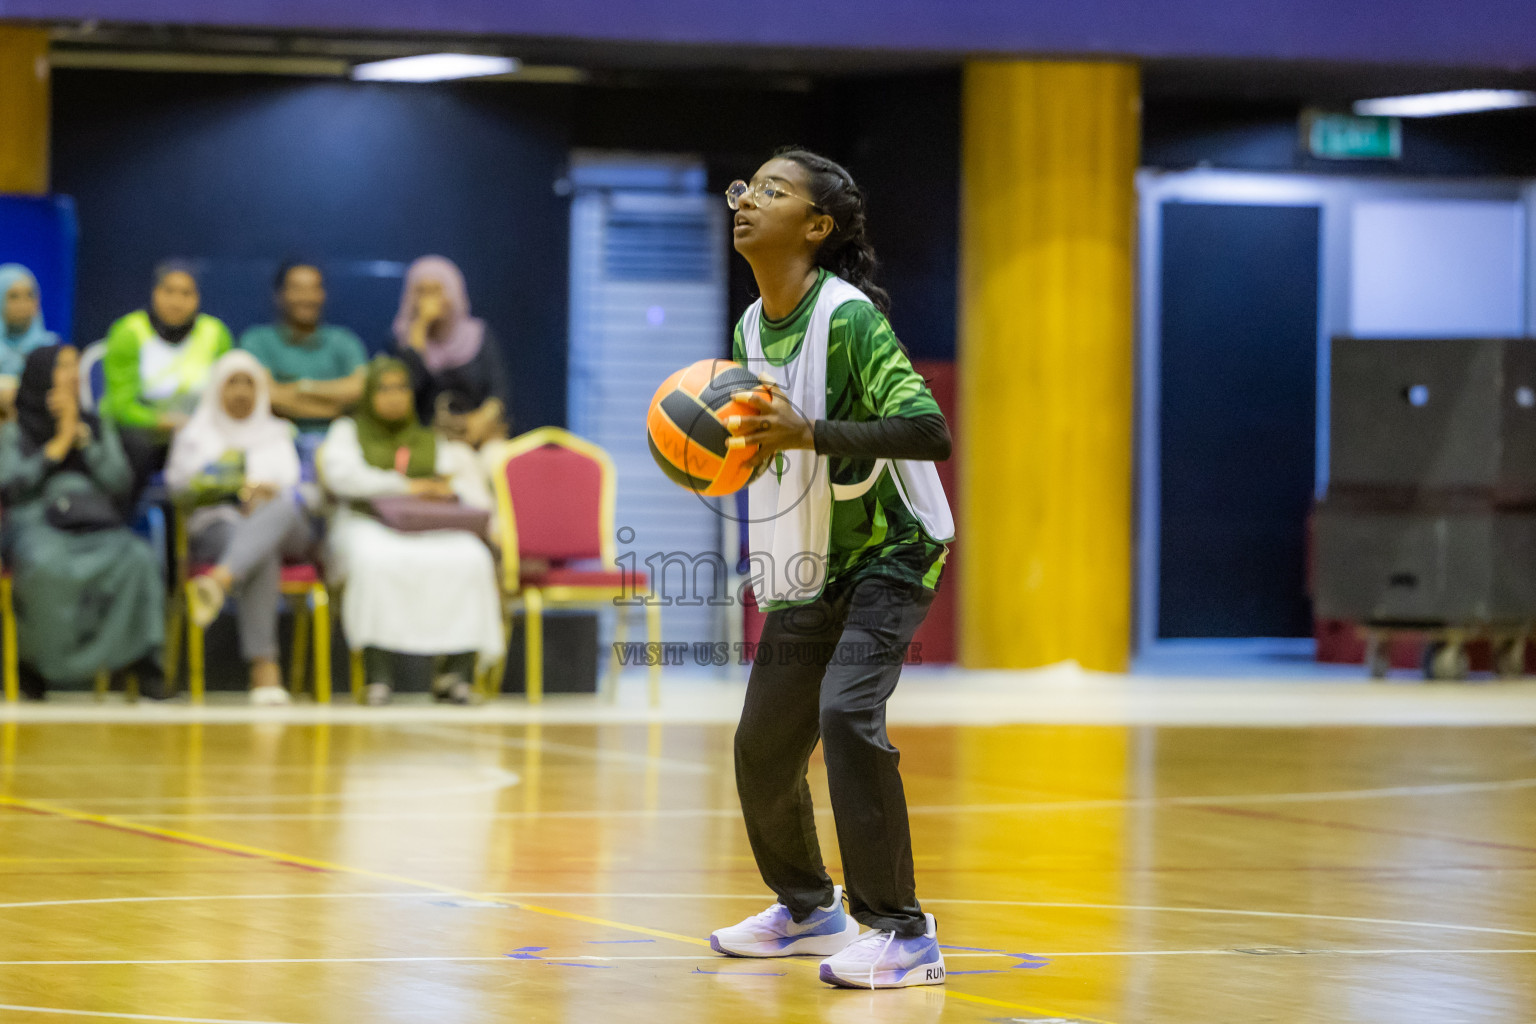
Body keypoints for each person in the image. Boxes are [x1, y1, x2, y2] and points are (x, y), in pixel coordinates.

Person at [705, 150, 956, 990]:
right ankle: (811, 911)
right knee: (763, 747)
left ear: (817, 227)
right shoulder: (749, 326)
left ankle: (906, 935)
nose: (747, 200)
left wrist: (811, 432)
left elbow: (929, 432)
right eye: (747, 186)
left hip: (892, 548)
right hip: (812, 558)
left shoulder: (847, 319)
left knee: (848, 715)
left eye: (773, 191)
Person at [319, 356, 502, 705]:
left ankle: (457, 674)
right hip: (366, 521)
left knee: (471, 557)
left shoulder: (427, 439)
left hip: (429, 525)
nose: (394, 397)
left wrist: (448, 490)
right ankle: (378, 676)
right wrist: (407, 486)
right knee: (375, 560)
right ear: (369, 393)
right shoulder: (347, 432)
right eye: (384, 389)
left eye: (401, 388)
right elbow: (343, 477)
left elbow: (464, 486)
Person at [0, 346, 166, 700]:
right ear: (41, 375)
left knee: (138, 557)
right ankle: (35, 667)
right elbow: (9, 485)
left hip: (95, 524)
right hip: (38, 526)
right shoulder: (15, 430)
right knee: (44, 566)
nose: (74, 374)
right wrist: (56, 445)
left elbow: (120, 483)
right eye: (63, 367)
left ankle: (140, 664)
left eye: (76, 366)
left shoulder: (94, 424)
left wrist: (84, 441)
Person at [166, 351, 312, 706]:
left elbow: (301, 491)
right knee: (260, 551)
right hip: (218, 525)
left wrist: (268, 493)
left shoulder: (278, 433)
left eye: (250, 382)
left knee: (277, 511)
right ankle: (264, 667)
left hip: (285, 524)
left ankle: (218, 581)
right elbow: (177, 487)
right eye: (233, 382)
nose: (241, 391)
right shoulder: (195, 435)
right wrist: (234, 490)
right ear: (217, 387)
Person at [101, 261, 233, 494]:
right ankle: (124, 518)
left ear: (197, 298)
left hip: (201, 434)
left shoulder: (215, 333)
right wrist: (165, 422)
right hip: (147, 437)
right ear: (155, 293)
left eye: (186, 293)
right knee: (136, 445)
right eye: (168, 291)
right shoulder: (129, 332)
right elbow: (120, 407)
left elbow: (228, 394)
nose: (176, 301)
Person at [240, 261, 369, 447]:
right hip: (272, 442)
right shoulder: (256, 340)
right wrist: (338, 408)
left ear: (323, 295)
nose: (307, 297)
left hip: (340, 442)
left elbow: (360, 389)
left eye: (314, 288)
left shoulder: (344, 340)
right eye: (297, 289)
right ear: (279, 295)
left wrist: (302, 386)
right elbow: (266, 396)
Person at [393, 256, 510, 452]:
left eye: (436, 290)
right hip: (430, 437)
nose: (428, 300)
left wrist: (481, 420)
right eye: (421, 292)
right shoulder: (401, 339)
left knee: (496, 457)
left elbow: (499, 389)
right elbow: (408, 393)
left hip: (480, 431)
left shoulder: (478, 334)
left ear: (452, 291)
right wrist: (419, 331)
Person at [0, 263, 62, 421]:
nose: (23, 304)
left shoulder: (51, 347)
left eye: (29, 295)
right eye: (13, 296)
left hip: (42, 426)